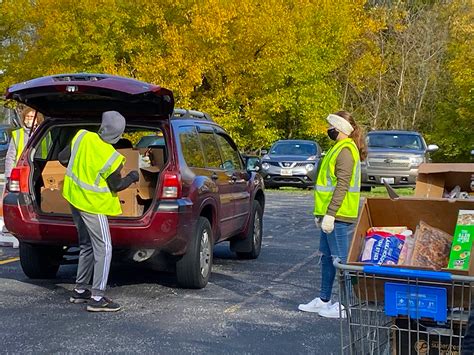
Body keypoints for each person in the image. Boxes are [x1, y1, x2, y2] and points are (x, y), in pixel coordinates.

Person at [58, 111, 139, 312]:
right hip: (92, 205)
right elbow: (117, 185)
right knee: (104, 247)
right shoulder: (110, 157)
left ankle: (80, 291)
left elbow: (62, 158)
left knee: (86, 244)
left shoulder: (82, 136)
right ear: (118, 135)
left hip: (73, 197)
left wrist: (82, 168)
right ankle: (97, 297)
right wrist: (133, 176)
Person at [298, 111, 367, 318]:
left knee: (341, 261)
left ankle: (344, 306)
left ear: (340, 128)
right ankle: (324, 299)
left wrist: (330, 214)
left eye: (331, 126)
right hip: (330, 215)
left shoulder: (345, 151)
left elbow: (342, 185)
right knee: (327, 258)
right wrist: (322, 213)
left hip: (339, 216)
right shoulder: (337, 149)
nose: (328, 130)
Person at [5, 107, 44, 178]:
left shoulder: (43, 133)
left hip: (39, 169)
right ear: (24, 118)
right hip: (21, 170)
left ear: (37, 119)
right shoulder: (18, 134)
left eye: (32, 117)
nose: (29, 119)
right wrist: (9, 175)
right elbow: (10, 157)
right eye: (27, 116)